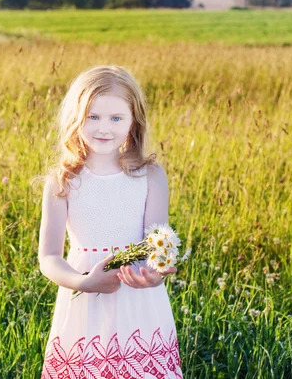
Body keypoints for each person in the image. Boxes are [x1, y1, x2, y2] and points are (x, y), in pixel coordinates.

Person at [37, 65, 182, 379]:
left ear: (134, 121)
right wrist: (83, 282)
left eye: (116, 118)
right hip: (85, 297)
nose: (104, 128)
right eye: (93, 117)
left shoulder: (150, 176)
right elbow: (48, 257)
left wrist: (156, 274)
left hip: (139, 300)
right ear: (76, 117)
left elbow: (158, 241)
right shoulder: (63, 180)